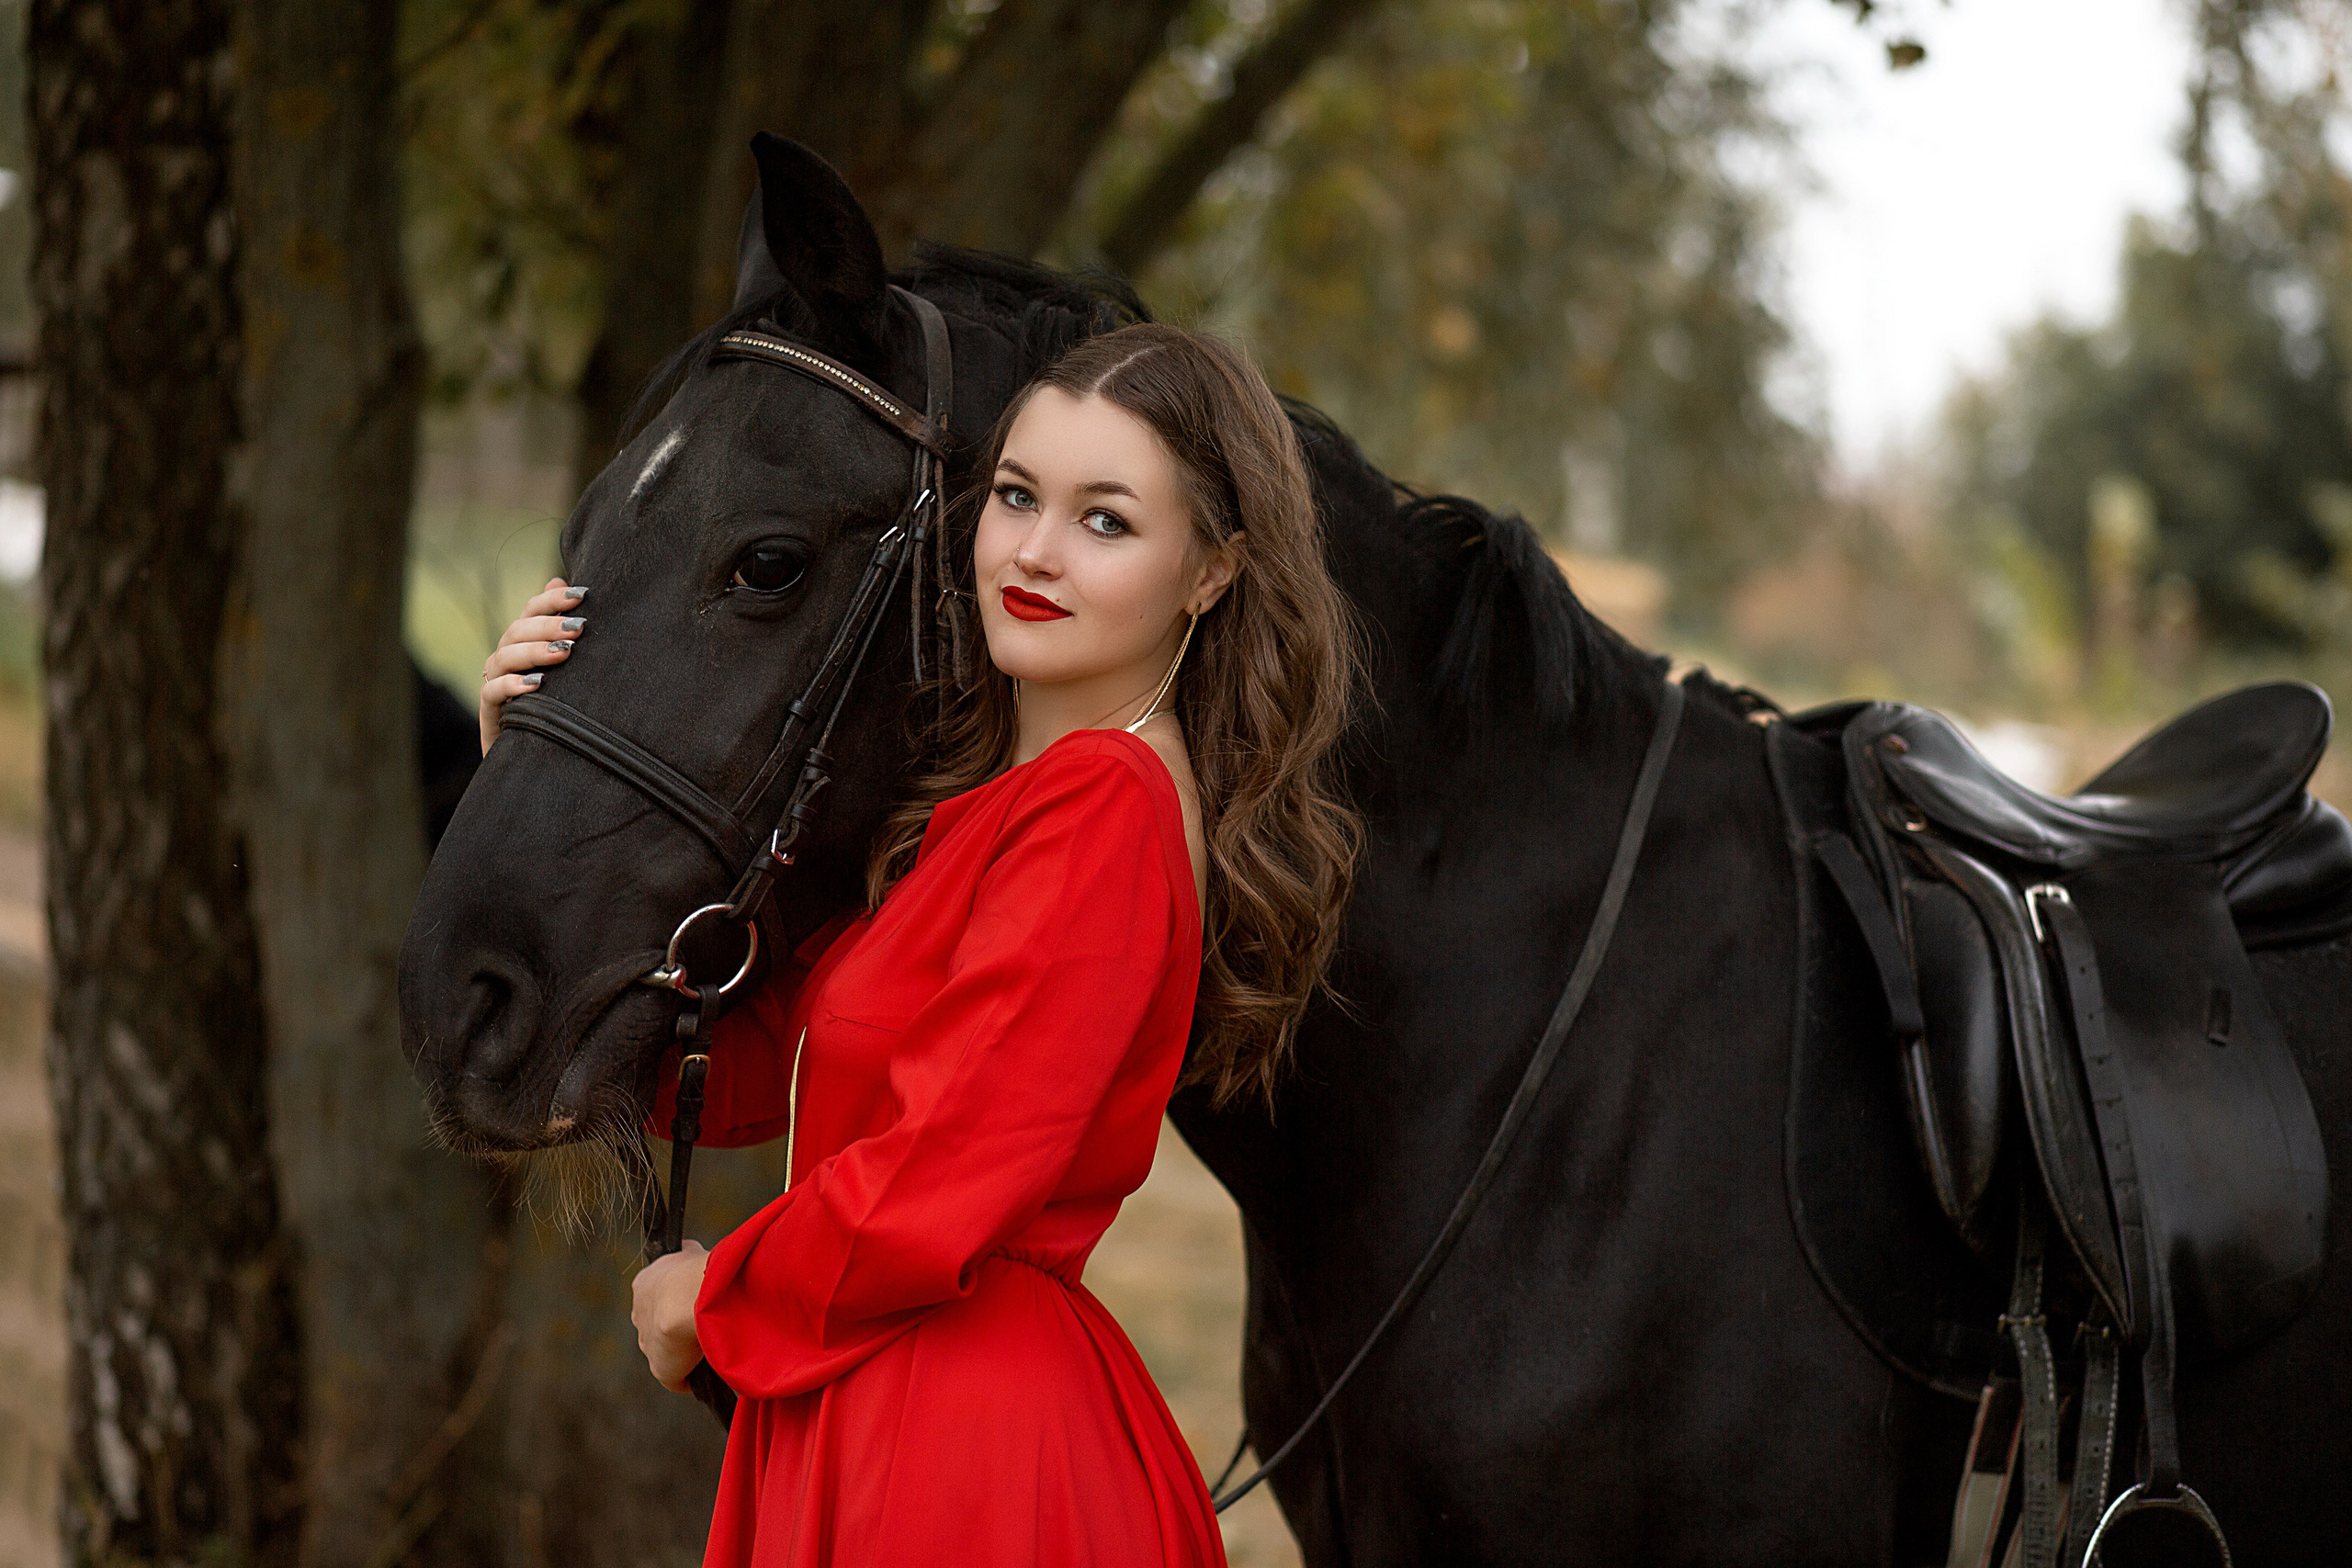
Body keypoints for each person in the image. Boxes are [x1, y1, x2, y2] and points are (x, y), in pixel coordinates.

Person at [481, 323, 1361, 1565]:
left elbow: (930, 1186)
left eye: (1105, 521)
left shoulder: (1102, 808)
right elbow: (742, 1075)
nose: (1036, 552)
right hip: (881, 1406)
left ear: (1211, 573)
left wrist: (711, 1301)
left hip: (960, 1457)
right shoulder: (985, 812)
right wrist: (529, 779)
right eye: (1016, 496)